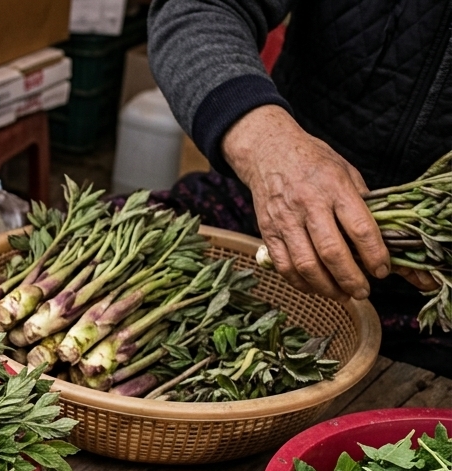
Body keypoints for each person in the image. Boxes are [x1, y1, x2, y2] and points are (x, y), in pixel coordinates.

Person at [147, 0, 452, 373]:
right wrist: (265, 145)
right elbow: (197, 7)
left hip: (431, 313)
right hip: (262, 202)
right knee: (106, 247)